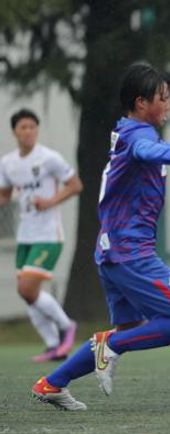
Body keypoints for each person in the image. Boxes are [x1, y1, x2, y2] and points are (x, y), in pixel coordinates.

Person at [31, 63, 170, 410]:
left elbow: (149, 149)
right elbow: (148, 151)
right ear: (141, 103)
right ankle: (109, 348)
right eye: (163, 98)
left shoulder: (129, 132)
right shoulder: (139, 137)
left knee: (127, 330)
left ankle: (52, 383)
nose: (168, 105)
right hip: (131, 254)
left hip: (112, 253)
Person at [0, 108, 82, 362]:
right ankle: (52, 345)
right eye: (23, 127)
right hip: (25, 234)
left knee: (27, 287)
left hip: (48, 234)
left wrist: (50, 201)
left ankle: (66, 326)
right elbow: (5, 195)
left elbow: (75, 185)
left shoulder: (49, 158)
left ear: (37, 130)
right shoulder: (8, 162)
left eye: (32, 127)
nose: (28, 132)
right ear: (15, 132)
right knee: (27, 293)